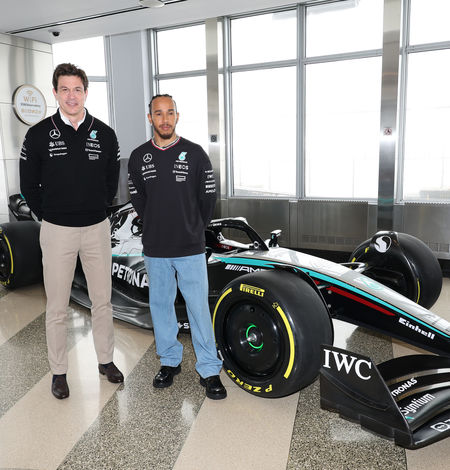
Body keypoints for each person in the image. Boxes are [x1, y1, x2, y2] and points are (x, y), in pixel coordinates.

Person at [19, 63, 124, 399]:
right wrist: (49, 214)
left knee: (102, 301)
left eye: (77, 89)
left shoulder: (105, 134)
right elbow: (28, 186)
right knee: (58, 305)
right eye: (64, 89)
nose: (71, 96)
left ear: (86, 92)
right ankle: (59, 371)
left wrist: (95, 207)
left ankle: (105, 361)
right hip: (57, 231)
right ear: (55, 93)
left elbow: (111, 181)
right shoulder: (37, 135)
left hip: (96, 229)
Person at [128, 94, 226, 400]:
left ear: (177, 116)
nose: (165, 119)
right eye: (158, 114)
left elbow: (208, 199)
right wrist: (154, 224)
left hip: (190, 248)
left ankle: (209, 369)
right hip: (155, 247)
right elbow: (138, 198)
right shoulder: (138, 156)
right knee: (161, 307)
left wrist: (195, 229)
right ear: (150, 119)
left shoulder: (195, 154)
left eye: (170, 113)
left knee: (198, 308)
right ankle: (170, 361)